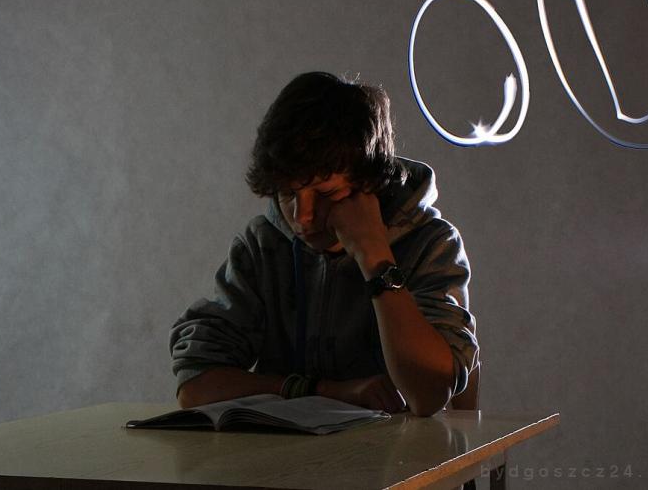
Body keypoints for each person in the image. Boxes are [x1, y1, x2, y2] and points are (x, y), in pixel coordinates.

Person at [169, 72, 478, 417]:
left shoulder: (431, 243)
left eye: (327, 193)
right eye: (288, 193)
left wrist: (374, 256)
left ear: (370, 184)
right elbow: (195, 384)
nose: (303, 216)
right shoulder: (263, 246)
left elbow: (430, 394)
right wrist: (324, 391)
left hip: (403, 451)